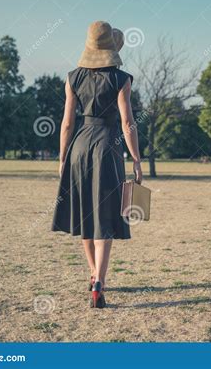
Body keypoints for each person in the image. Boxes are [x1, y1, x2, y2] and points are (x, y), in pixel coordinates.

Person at [51, 21, 142, 308]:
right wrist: (137, 159)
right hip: (108, 146)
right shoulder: (121, 78)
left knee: (85, 216)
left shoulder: (72, 77)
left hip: (79, 146)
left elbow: (66, 123)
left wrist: (63, 157)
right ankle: (100, 283)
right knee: (105, 217)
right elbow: (127, 123)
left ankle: (93, 275)